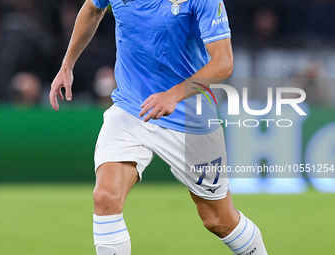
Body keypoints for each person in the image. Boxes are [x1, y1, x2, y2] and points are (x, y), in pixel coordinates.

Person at [49, 0, 268, 254]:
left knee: (218, 220)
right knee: (105, 197)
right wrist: (67, 65)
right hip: (132, 109)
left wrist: (173, 95)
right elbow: (92, 8)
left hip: (189, 118)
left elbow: (224, 62)